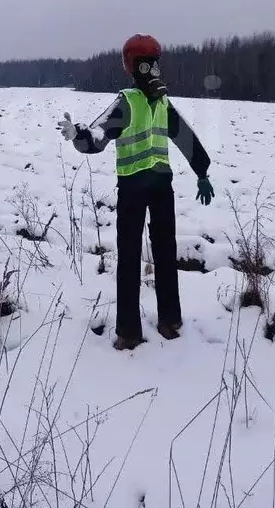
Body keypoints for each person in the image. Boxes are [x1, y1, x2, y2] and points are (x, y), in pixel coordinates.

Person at [57, 34, 215, 350]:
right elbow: (99, 135)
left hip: (160, 187)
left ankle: (170, 320)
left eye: (155, 63)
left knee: (165, 253)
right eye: (147, 64)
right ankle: (128, 331)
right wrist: (79, 136)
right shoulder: (126, 102)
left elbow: (186, 138)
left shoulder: (162, 104)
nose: (153, 71)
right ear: (134, 67)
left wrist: (202, 173)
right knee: (129, 258)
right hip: (132, 188)